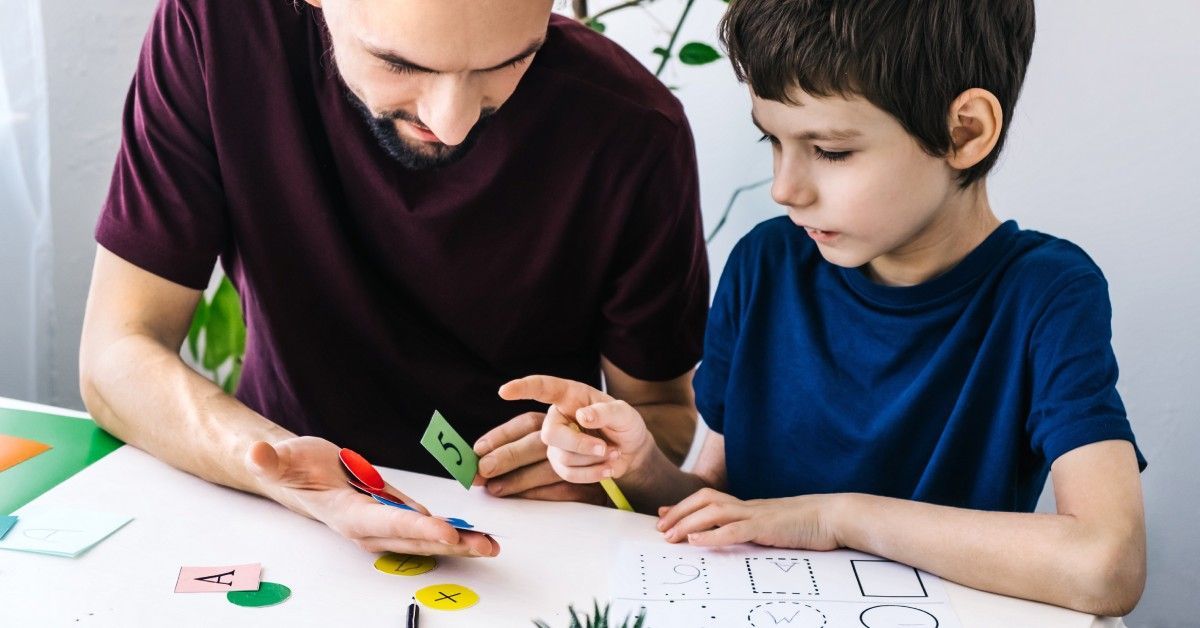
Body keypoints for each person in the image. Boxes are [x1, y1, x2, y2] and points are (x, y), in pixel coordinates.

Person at [504, 0, 1147, 615]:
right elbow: (728, 506)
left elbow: (1106, 564)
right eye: (773, 143)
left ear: (964, 132)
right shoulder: (765, 265)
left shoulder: (1047, 295)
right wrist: (640, 467)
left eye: (831, 151)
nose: (786, 188)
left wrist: (835, 517)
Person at [79, 0, 708, 560]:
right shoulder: (214, 28)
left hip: (523, 541)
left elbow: (663, 412)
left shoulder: (634, 128)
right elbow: (116, 355)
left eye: (509, 63)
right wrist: (277, 468)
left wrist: (601, 459)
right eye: (402, 65)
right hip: (273, 514)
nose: (453, 121)